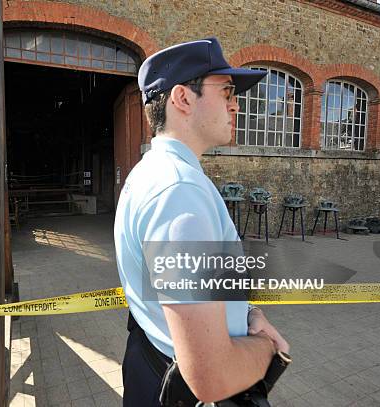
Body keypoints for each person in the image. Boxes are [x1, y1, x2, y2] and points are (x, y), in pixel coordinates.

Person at [114, 38, 290, 406]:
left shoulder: (153, 172)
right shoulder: (179, 192)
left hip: (153, 366)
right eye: (225, 90)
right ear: (182, 98)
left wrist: (248, 315)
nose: (236, 103)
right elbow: (210, 377)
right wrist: (266, 347)